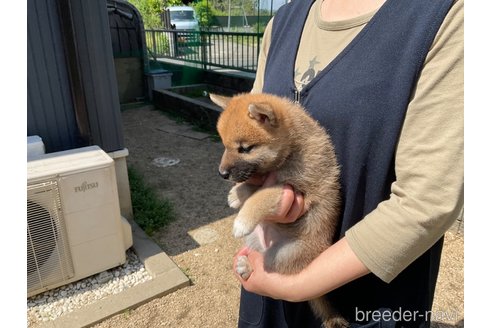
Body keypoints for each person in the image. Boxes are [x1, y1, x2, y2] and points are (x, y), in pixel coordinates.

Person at [232, 0, 464, 327]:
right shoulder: (282, 22)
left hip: (369, 302)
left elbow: (427, 201)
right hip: (268, 286)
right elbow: (247, 137)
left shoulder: (446, 17)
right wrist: (255, 195)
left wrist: (298, 285)